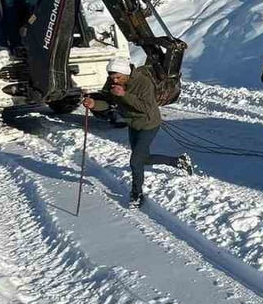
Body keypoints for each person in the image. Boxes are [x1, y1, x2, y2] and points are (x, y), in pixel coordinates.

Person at [82, 56, 194, 207]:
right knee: (143, 159)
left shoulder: (143, 83)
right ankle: (178, 161)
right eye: (111, 77)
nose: (114, 80)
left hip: (148, 124)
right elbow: (108, 102)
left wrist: (124, 95)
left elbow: (145, 108)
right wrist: (94, 104)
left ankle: (137, 194)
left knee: (135, 161)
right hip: (132, 124)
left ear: (126, 73)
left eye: (117, 77)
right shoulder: (112, 82)